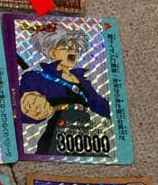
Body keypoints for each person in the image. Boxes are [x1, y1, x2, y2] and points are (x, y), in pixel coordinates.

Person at [18, 25, 110, 155]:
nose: (73, 53)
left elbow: (100, 105)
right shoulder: (38, 77)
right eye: (67, 49)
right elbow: (23, 105)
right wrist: (30, 105)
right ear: (52, 53)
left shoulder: (83, 81)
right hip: (60, 128)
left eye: (75, 50)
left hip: (85, 130)